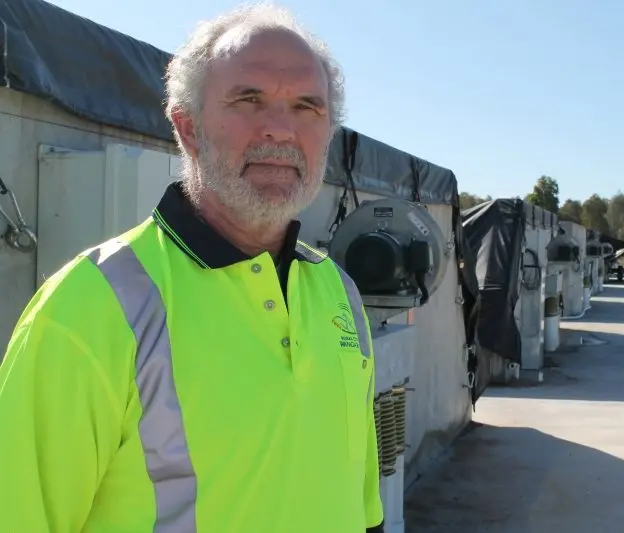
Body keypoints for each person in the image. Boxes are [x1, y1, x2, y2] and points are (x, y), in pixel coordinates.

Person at [0, 3, 384, 532]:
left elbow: (361, 504)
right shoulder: (90, 306)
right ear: (187, 128)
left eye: (306, 106)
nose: (280, 130)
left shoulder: (339, 292)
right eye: (249, 99)